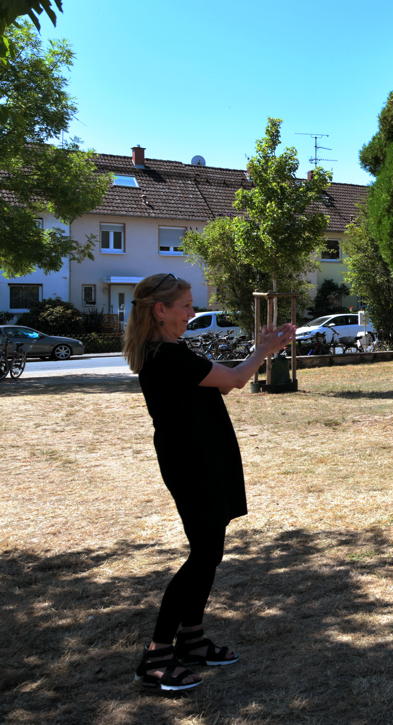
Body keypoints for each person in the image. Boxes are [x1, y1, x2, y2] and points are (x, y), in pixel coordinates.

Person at [123, 273, 295, 694]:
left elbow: (222, 380)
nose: (192, 312)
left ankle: (192, 640)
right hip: (193, 464)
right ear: (160, 311)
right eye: (185, 305)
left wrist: (259, 350)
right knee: (202, 557)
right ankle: (157, 655)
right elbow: (236, 379)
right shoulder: (166, 356)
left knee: (209, 553)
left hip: (202, 459)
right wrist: (264, 350)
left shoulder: (170, 349)